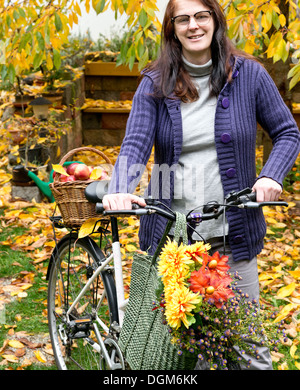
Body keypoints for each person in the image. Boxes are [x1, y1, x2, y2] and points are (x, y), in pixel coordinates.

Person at [102, 0, 300, 369]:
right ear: (172, 28)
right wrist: (120, 185)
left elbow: (287, 133)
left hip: (233, 233)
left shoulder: (250, 76)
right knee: (175, 356)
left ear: (215, 20)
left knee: (249, 351)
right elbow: (135, 143)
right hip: (174, 240)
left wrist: (271, 174)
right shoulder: (154, 83)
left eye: (201, 16)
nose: (193, 25)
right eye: (183, 19)